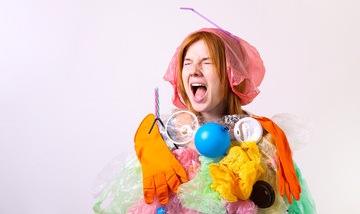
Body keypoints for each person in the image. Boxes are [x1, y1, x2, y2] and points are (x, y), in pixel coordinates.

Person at [94, 27, 316, 214]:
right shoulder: (162, 139)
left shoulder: (260, 139)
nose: (194, 70)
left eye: (206, 62)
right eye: (187, 63)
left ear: (232, 75)